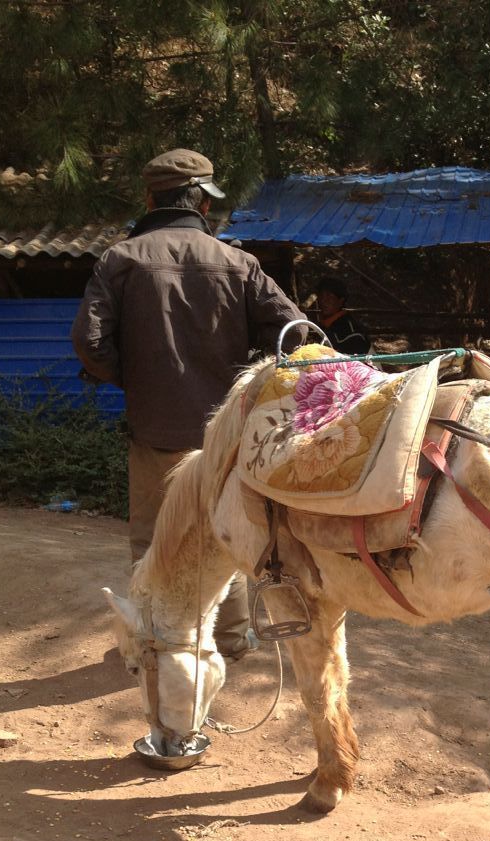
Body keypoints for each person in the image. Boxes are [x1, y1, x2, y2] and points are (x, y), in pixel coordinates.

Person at [71, 148, 307, 659]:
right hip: (227, 436)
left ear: (149, 198)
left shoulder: (120, 260)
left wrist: (134, 379)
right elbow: (297, 333)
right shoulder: (238, 263)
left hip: (153, 429)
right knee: (228, 530)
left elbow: (89, 343)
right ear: (199, 201)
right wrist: (254, 387)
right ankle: (228, 638)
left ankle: (154, 640)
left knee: (153, 536)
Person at [315, 275, 371, 355]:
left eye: (329, 297)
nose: (323, 301)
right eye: (321, 296)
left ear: (341, 301)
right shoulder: (325, 325)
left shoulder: (351, 334)